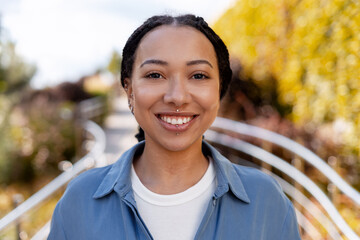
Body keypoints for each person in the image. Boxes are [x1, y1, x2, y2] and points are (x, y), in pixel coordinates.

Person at [48, 14, 301, 240]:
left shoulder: (267, 201)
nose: (177, 97)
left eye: (198, 75)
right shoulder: (79, 201)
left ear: (219, 90)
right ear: (129, 90)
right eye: (155, 75)